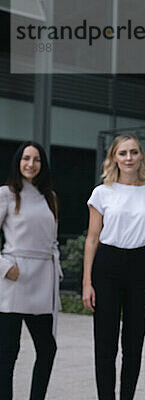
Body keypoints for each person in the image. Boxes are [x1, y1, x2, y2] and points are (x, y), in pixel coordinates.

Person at [82, 133, 145, 400]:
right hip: (107, 265)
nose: (129, 158)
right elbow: (93, 238)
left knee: (134, 344)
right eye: (123, 153)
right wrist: (87, 282)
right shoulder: (102, 192)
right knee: (105, 343)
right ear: (114, 158)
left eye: (133, 152)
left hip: (141, 266)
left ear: (141, 155)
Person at [0, 141, 61, 400]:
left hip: (43, 279)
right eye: (26, 158)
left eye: (36, 159)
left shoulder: (50, 197)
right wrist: (4, 267)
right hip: (14, 279)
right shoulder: (5, 193)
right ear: (18, 161)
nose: (31, 164)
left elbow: (53, 239)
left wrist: (55, 272)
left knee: (47, 349)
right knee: (7, 352)